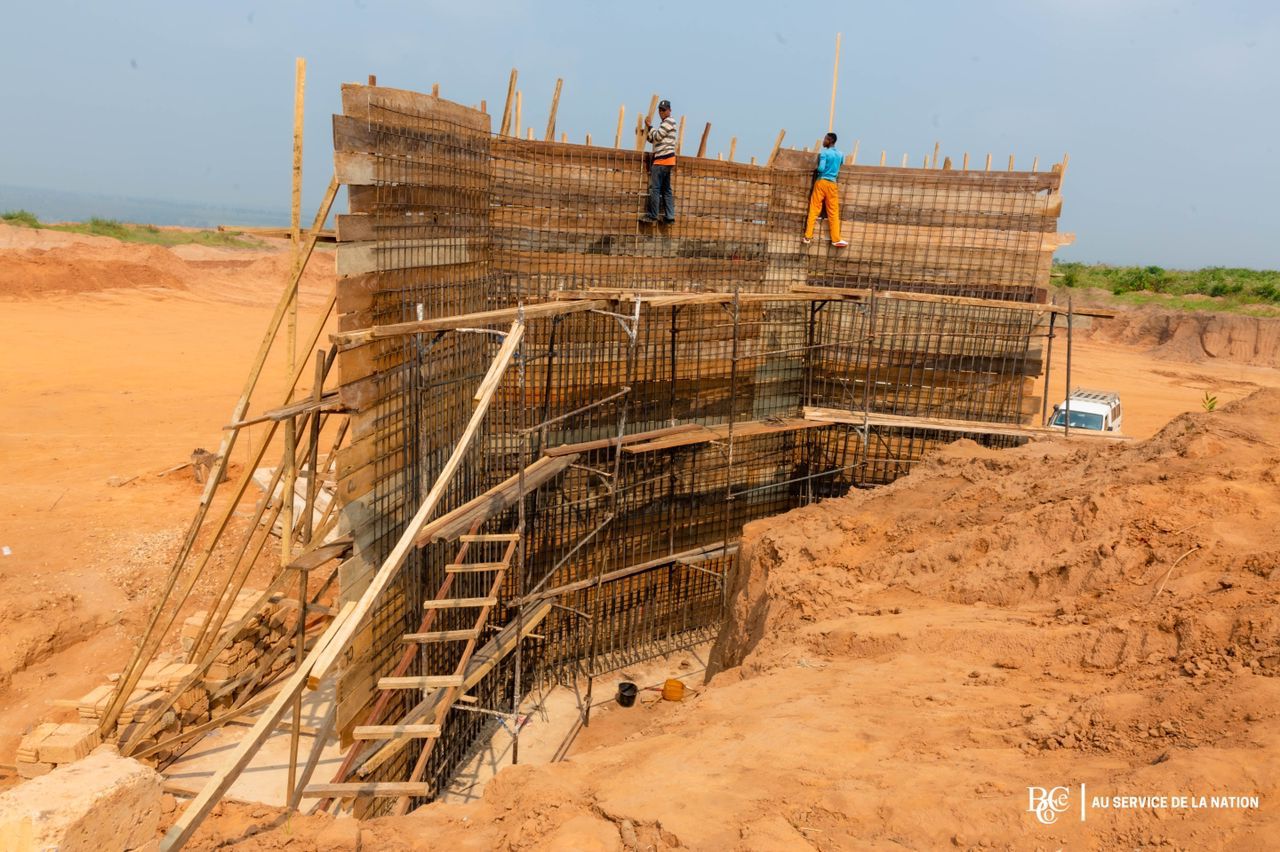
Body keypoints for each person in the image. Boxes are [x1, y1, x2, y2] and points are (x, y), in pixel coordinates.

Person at [803, 132, 849, 247]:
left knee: (814, 209)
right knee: (833, 212)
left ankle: (808, 237)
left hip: (821, 182)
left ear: (830, 141)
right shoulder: (840, 154)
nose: (823, 141)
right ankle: (836, 239)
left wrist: (817, 169)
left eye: (825, 139)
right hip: (832, 184)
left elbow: (821, 168)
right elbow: (842, 163)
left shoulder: (824, 153)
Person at [640, 99, 677, 224]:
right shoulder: (665, 123)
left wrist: (649, 127)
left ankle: (653, 215)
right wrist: (646, 132)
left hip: (662, 160)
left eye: (664, 110)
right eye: (660, 110)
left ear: (669, 110)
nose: (662, 112)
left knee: (655, 189)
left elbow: (657, 136)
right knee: (666, 189)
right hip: (668, 160)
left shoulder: (668, 121)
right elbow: (655, 140)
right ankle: (670, 216)